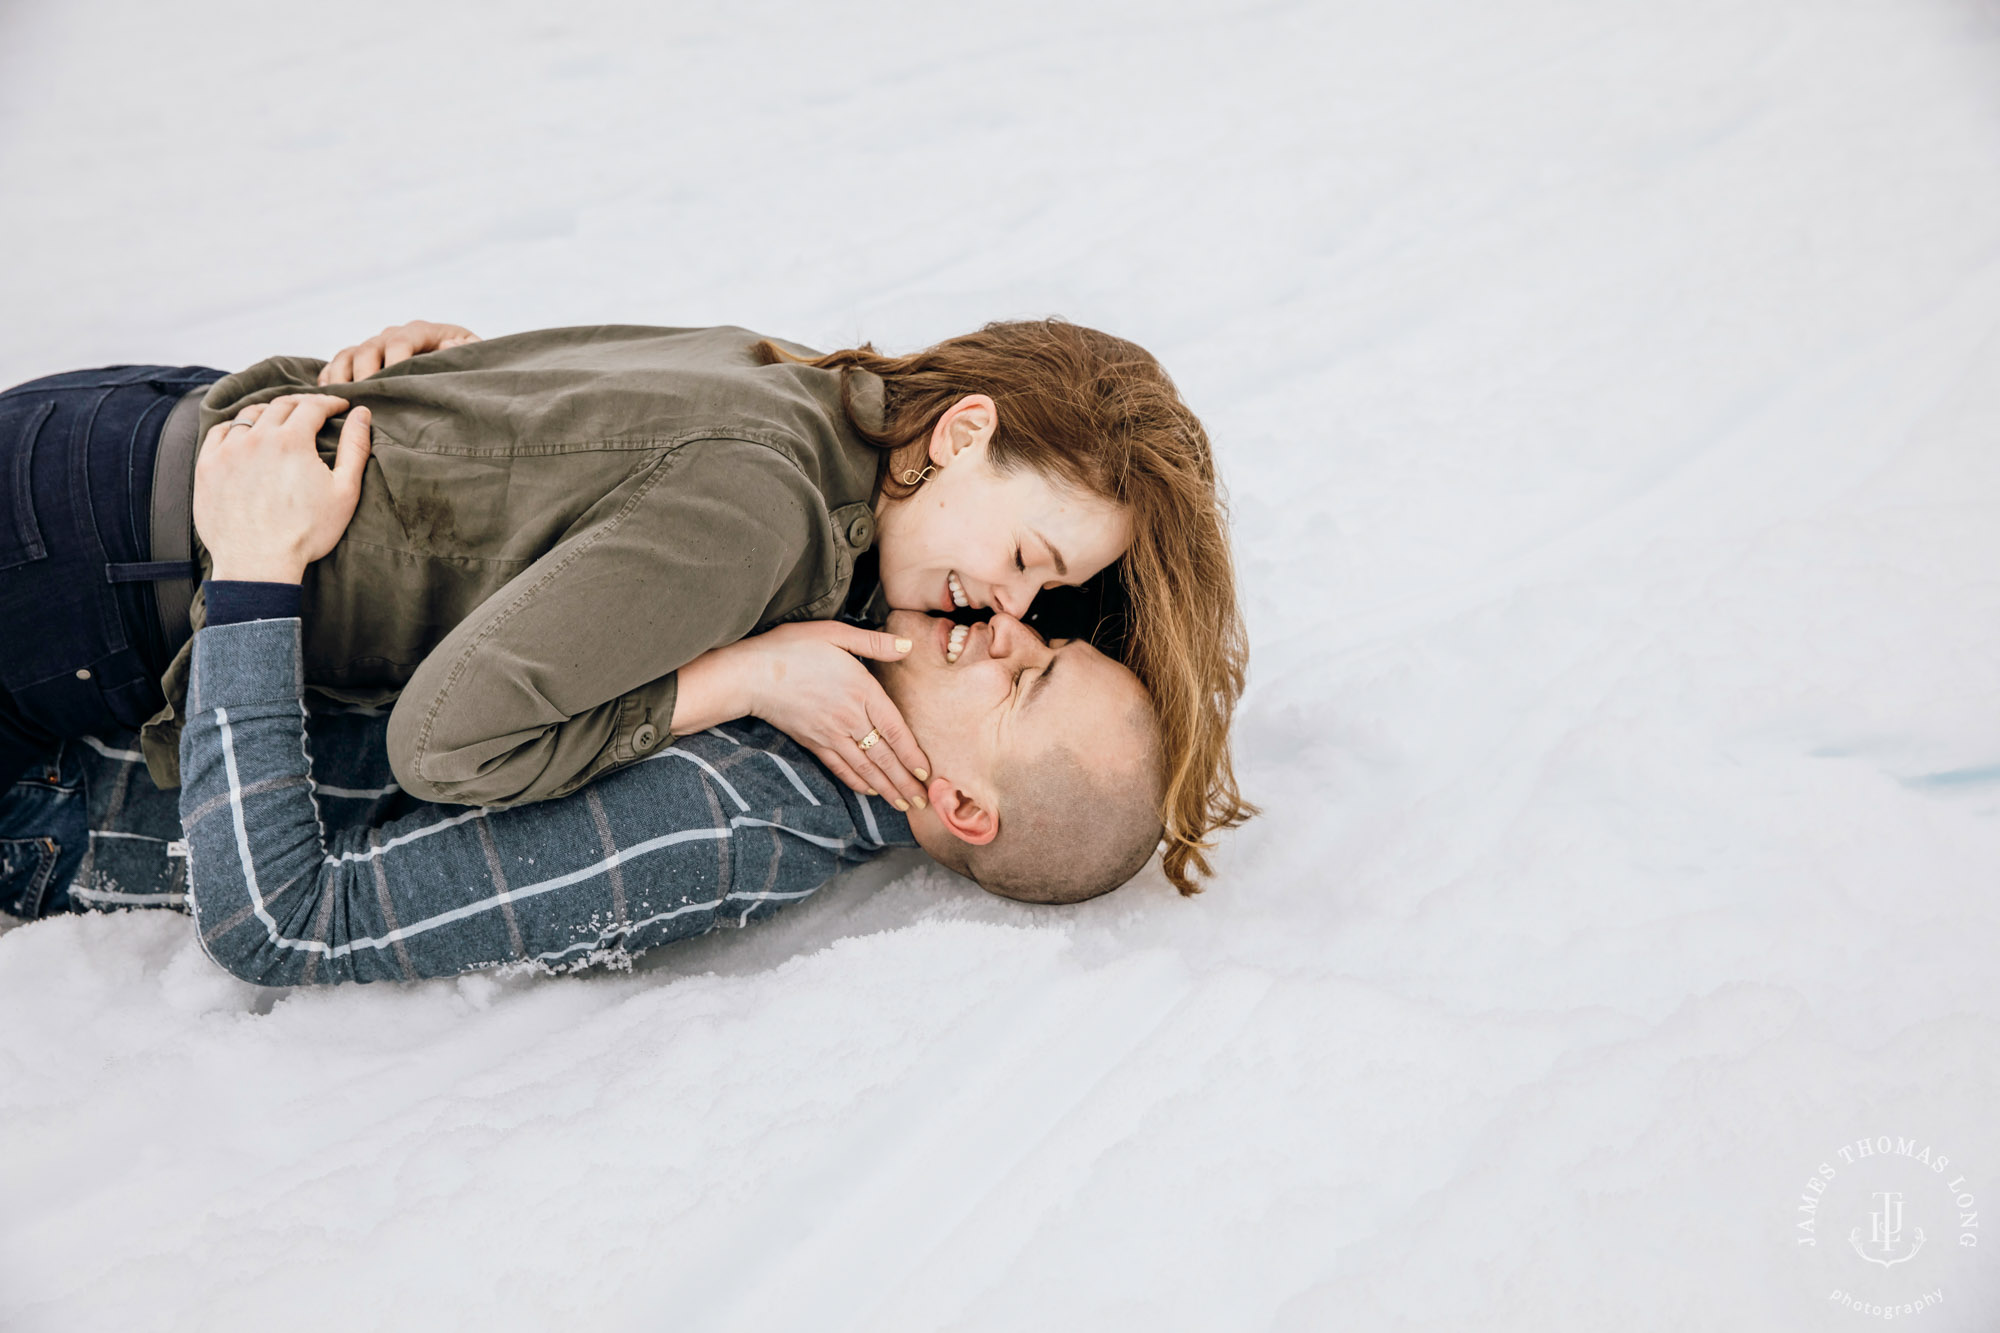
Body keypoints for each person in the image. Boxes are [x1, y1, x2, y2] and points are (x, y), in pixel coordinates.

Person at [0, 316, 1247, 897]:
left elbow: (564, 448)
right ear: (964, 431)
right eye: (1028, 555)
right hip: (94, 567)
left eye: (1050, 600)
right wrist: (736, 680)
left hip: (123, 437)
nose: (1012, 606)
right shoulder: (764, 510)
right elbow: (448, 745)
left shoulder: (801, 387)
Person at [0, 423, 1165, 981]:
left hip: (56, 774)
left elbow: (293, 921)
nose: (1004, 628)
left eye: (1022, 677)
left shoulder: (712, 825)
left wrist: (257, 577)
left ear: (960, 804)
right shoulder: (848, 629)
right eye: (1036, 625)